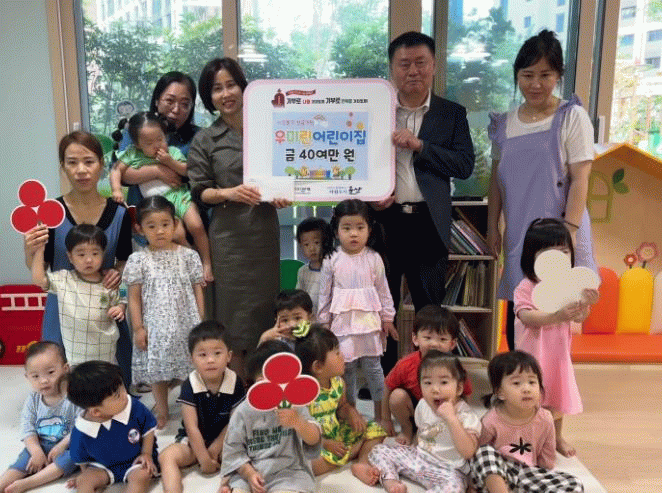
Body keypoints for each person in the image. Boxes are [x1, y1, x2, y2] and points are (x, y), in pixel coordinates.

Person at [486, 30, 597, 352]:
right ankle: (517, 377)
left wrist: (569, 235)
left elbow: (581, 179)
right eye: (527, 75)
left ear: (558, 75)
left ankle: (550, 379)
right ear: (517, 76)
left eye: (545, 75)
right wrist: (492, 227)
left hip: (560, 233)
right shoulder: (504, 124)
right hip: (520, 231)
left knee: (556, 316)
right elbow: (496, 181)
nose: (535, 84)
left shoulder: (571, 117)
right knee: (520, 311)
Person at [372, 31, 475, 375]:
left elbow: (464, 165)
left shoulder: (452, 114)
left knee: (429, 309)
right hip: (385, 221)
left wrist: (421, 146)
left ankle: (430, 380)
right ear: (392, 68)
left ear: (433, 66)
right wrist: (371, 199)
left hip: (429, 222)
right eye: (404, 64)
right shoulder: (375, 111)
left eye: (420, 62)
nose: (413, 71)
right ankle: (385, 381)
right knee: (381, 307)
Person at [187, 57, 290, 380]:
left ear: (244, 87)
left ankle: (262, 384)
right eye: (217, 88)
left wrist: (282, 194)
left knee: (264, 311)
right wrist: (229, 193)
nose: (226, 94)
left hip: (263, 233)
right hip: (229, 239)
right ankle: (235, 389)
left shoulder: (269, 129)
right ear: (209, 97)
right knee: (231, 316)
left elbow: (286, 171)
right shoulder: (206, 139)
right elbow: (199, 191)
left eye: (231, 85)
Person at [22, 131, 133, 385]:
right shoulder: (51, 212)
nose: (81, 170)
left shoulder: (119, 213)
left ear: (101, 164)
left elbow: (124, 260)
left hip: (104, 309)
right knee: (59, 384)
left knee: (111, 385)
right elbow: (39, 270)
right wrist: (30, 250)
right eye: (72, 162)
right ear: (63, 167)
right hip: (63, 309)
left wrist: (117, 272)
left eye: (89, 161)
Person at [514, 218, 599, 457]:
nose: (558, 258)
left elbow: (579, 317)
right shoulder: (526, 286)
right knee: (529, 398)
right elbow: (526, 315)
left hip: (558, 356)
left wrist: (585, 305)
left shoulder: (569, 285)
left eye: (564, 252)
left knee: (557, 398)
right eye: (549, 253)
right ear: (533, 257)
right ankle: (526, 438)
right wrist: (556, 316)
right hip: (532, 356)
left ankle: (556, 437)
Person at [122, 196, 205, 428]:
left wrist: (200, 322)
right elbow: (134, 298)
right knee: (157, 371)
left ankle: (191, 408)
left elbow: (198, 290)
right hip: (155, 327)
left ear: (175, 223)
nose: (159, 231)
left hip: (186, 323)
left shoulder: (188, 256)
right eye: (151, 226)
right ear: (140, 228)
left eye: (165, 224)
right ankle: (162, 410)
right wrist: (138, 328)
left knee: (190, 368)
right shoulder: (138, 259)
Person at [318, 199, 399, 422]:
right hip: (342, 326)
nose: (353, 233)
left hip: (370, 325)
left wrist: (388, 318)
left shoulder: (374, 258)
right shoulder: (331, 259)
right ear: (336, 231)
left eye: (360, 227)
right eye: (347, 228)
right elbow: (324, 295)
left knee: (374, 369)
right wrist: (324, 323)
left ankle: (381, 415)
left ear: (369, 230)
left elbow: (384, 291)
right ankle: (351, 415)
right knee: (347, 371)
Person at [111, 111, 213, 282]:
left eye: (160, 139)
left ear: (165, 135)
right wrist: (116, 190)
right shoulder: (132, 155)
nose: (156, 145)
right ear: (137, 144)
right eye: (149, 143)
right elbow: (116, 170)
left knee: (196, 225)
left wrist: (169, 161)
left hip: (179, 197)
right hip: (158, 208)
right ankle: (194, 264)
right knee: (179, 235)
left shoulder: (172, 152)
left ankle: (207, 263)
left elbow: (187, 171)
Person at [469, 351, 584, 493]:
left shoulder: (545, 418)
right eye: (516, 383)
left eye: (532, 382)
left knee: (574, 484)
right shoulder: (491, 420)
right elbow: (477, 456)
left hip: (527, 473)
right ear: (500, 392)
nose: (526, 389)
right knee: (483, 452)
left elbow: (547, 459)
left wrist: (543, 476)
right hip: (498, 474)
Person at [369, 351, 481, 493]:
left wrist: (452, 419)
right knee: (378, 450)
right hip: (419, 458)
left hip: (448, 470)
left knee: (455, 487)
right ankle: (391, 482)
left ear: (459, 388)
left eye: (444, 382)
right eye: (427, 383)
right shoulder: (423, 405)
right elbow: (422, 432)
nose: (435, 389)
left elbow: (469, 452)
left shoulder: (466, 415)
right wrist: (412, 450)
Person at [220, 340, 322, 493]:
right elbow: (233, 451)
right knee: (238, 488)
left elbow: (314, 439)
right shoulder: (243, 411)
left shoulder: (295, 405)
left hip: (289, 472)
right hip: (251, 471)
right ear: (259, 382)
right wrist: (249, 474)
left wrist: (298, 422)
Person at [159, 321, 245, 493]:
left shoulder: (235, 382)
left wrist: (215, 449)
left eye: (217, 353)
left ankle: (231, 487)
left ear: (229, 356)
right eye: (202, 355)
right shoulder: (189, 384)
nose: (210, 360)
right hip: (193, 442)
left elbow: (235, 422)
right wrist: (204, 458)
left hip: (226, 441)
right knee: (166, 456)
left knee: (243, 458)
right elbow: (191, 427)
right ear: (192, 359)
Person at [295, 324, 386, 485]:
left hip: (336, 433)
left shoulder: (338, 383)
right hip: (315, 443)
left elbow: (342, 406)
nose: (343, 356)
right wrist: (324, 443)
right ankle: (349, 453)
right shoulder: (304, 393)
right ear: (318, 367)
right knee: (308, 464)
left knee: (375, 430)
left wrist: (351, 412)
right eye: (337, 353)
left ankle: (362, 463)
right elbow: (300, 428)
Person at [31, 225, 126, 366]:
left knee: (107, 379)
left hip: (106, 355)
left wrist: (120, 308)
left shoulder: (108, 282)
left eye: (95, 253)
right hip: (75, 357)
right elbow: (39, 280)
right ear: (70, 257)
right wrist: (39, 251)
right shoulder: (64, 279)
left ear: (103, 254)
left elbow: (121, 299)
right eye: (81, 255)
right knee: (78, 380)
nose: (89, 260)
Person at [382, 305, 473, 445]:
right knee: (397, 396)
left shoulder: (455, 367)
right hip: (415, 409)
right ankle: (407, 429)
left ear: (453, 343)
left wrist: (462, 421)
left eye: (442, 339)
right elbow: (387, 387)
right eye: (428, 337)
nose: (434, 344)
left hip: (444, 410)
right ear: (415, 339)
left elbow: (466, 394)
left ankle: (441, 430)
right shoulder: (406, 364)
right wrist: (386, 419)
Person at [66, 361, 159, 493]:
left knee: (142, 476)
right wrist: (85, 476)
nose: (125, 394)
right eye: (117, 395)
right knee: (83, 480)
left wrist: (146, 454)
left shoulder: (133, 406)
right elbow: (81, 460)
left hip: (136, 461)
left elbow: (148, 430)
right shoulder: (81, 430)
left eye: (122, 387)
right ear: (96, 412)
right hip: (102, 467)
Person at [0, 342, 79, 493]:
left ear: (65, 369)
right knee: (23, 460)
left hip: (67, 445)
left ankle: (27, 483)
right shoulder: (33, 400)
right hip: (40, 444)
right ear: (27, 377)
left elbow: (81, 426)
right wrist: (36, 451)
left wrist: (61, 446)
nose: (43, 380)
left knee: (72, 456)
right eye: (35, 376)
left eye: (50, 372)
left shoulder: (74, 397)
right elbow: (27, 429)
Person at [116, 72, 201, 208]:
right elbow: (120, 173)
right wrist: (157, 171)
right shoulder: (137, 129)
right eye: (170, 101)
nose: (176, 109)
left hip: (184, 212)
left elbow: (199, 176)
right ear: (157, 100)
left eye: (185, 104)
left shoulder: (199, 137)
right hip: (141, 213)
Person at [295, 217, 334, 316]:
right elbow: (299, 298)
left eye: (316, 242)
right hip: (310, 318)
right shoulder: (303, 271)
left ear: (326, 242)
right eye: (306, 244)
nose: (312, 248)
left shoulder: (333, 269)